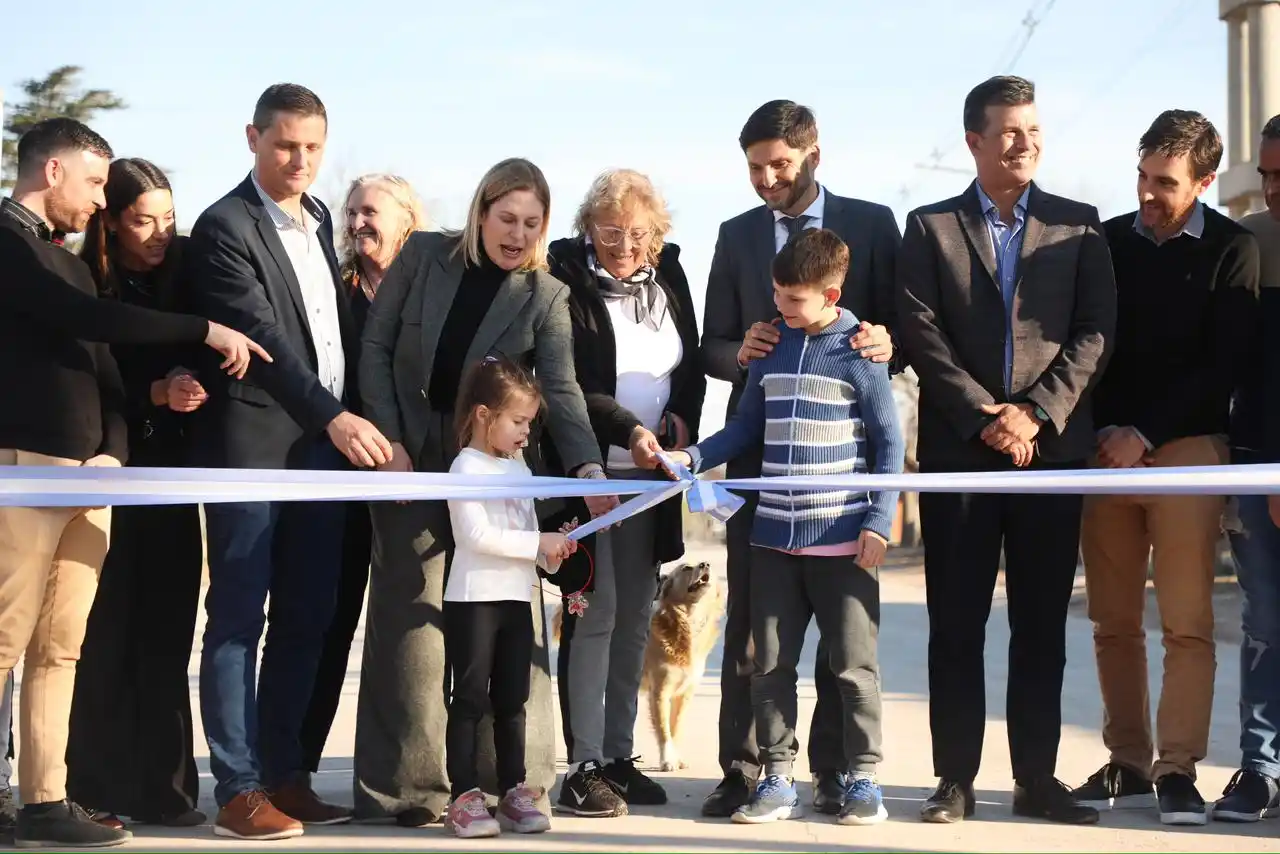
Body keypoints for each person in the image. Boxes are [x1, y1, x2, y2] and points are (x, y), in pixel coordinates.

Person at [0, 118, 268, 849]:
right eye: (93, 183)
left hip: (90, 480)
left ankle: (45, 803)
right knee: (6, 638)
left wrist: (113, 455)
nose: (98, 201)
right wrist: (201, 330)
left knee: (61, 648)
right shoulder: (8, 244)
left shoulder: (69, 264)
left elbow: (107, 377)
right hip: (24, 471)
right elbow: (85, 318)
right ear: (53, 171)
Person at [356, 157, 611, 827]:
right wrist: (390, 444)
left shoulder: (545, 296)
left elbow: (561, 389)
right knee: (413, 628)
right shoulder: (421, 256)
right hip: (410, 462)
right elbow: (376, 346)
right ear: (480, 213)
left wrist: (587, 469)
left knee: (506, 625)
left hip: (493, 468)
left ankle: (515, 783)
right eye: (507, 219)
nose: (517, 235)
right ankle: (410, 791)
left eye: (532, 223)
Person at [896, 75, 1116, 825]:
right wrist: (982, 414)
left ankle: (1037, 779)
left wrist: (1036, 414)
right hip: (961, 453)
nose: (1026, 142)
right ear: (976, 141)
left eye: (1034, 129)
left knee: (1041, 625)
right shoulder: (930, 227)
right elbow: (921, 330)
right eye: (1010, 130)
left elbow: (1095, 333)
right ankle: (954, 780)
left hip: (1049, 458)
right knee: (956, 625)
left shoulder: (1079, 225)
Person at [183, 83, 393, 841]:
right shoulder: (222, 227)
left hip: (322, 456)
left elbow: (332, 336)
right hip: (252, 449)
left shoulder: (321, 219)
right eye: (284, 145)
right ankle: (237, 789)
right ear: (253, 138)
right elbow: (263, 339)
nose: (300, 160)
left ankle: (284, 775)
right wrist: (336, 417)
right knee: (239, 617)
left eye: (312, 147)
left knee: (309, 616)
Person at [699, 98, 902, 819]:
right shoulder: (734, 235)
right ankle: (748, 770)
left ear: (814, 154)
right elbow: (712, 343)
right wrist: (742, 351)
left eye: (778, 165)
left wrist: (888, 341)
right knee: (759, 640)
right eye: (754, 168)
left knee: (843, 650)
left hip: (840, 486)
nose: (766, 180)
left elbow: (899, 331)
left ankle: (837, 772)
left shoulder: (873, 224)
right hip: (760, 468)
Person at [1069, 111, 1259, 826]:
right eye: (1143, 177)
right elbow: (1089, 343)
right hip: (1104, 453)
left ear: (1204, 182)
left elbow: (1225, 363)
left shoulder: (1234, 249)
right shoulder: (1107, 241)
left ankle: (1177, 770)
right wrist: (1107, 431)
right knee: (1112, 621)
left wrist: (1145, 432)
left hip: (1188, 452)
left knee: (1186, 622)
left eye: (1166, 183)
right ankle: (1128, 761)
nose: (1148, 193)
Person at [546, 168, 705, 818]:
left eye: (638, 234)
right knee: (596, 612)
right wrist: (629, 430)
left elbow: (690, 364)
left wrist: (681, 422)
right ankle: (581, 765)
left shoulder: (671, 274)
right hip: (589, 473)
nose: (624, 246)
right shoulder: (563, 277)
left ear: (656, 234)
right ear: (589, 228)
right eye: (610, 232)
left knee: (638, 613)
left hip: (651, 478)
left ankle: (618, 755)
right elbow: (567, 382)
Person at [66, 159, 209, 829]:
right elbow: (89, 385)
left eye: (168, 218)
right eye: (143, 221)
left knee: (168, 631)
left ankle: (165, 789)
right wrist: (153, 394)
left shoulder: (189, 271)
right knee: (105, 632)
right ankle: (92, 787)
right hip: (104, 469)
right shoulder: (86, 282)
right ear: (112, 222)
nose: (160, 234)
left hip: (174, 477)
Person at [298, 173, 430, 777]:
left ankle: (407, 772)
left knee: (412, 633)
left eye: (370, 212)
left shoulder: (432, 291)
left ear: (407, 219)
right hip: (343, 479)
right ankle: (296, 767)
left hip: (419, 481)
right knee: (328, 623)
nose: (356, 224)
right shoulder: (333, 288)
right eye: (350, 213)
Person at [442, 356, 573, 839]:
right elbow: (474, 536)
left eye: (529, 423)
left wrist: (550, 554)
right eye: (518, 421)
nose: (525, 432)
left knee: (513, 699)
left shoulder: (519, 466)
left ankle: (514, 791)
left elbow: (525, 529)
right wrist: (536, 542)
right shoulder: (464, 466)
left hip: (518, 597)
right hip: (474, 599)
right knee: (469, 697)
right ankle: (463, 796)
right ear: (484, 415)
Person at [1217, 112, 1280, 823]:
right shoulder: (1247, 244)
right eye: (1266, 173)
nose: (1272, 188)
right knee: (1264, 619)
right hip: (1254, 462)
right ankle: (1261, 769)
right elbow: (1232, 364)